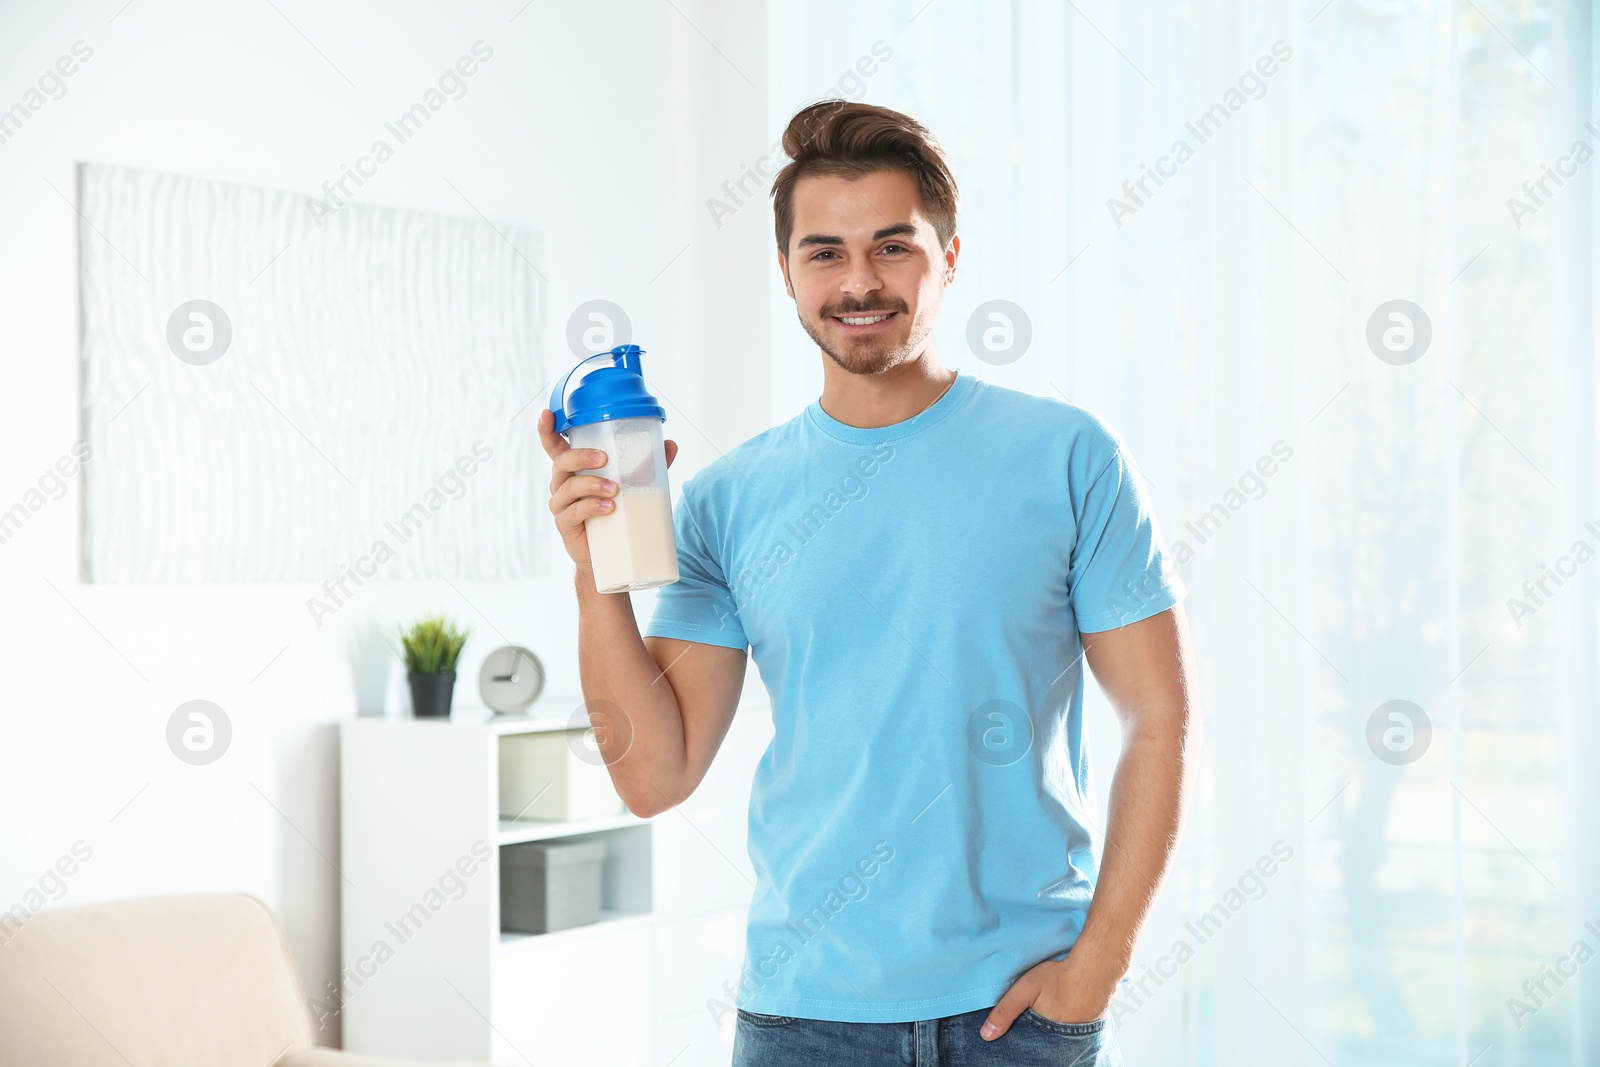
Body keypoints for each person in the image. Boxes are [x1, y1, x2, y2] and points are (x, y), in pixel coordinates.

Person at [539, 99, 1198, 1066]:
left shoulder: (1067, 455)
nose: (858, 283)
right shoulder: (727, 500)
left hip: (1018, 1013)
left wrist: (1098, 964)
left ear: (952, 256)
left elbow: (1159, 716)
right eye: (824, 253)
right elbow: (653, 774)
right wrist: (596, 575)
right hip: (802, 1018)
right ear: (786, 272)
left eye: (893, 247)